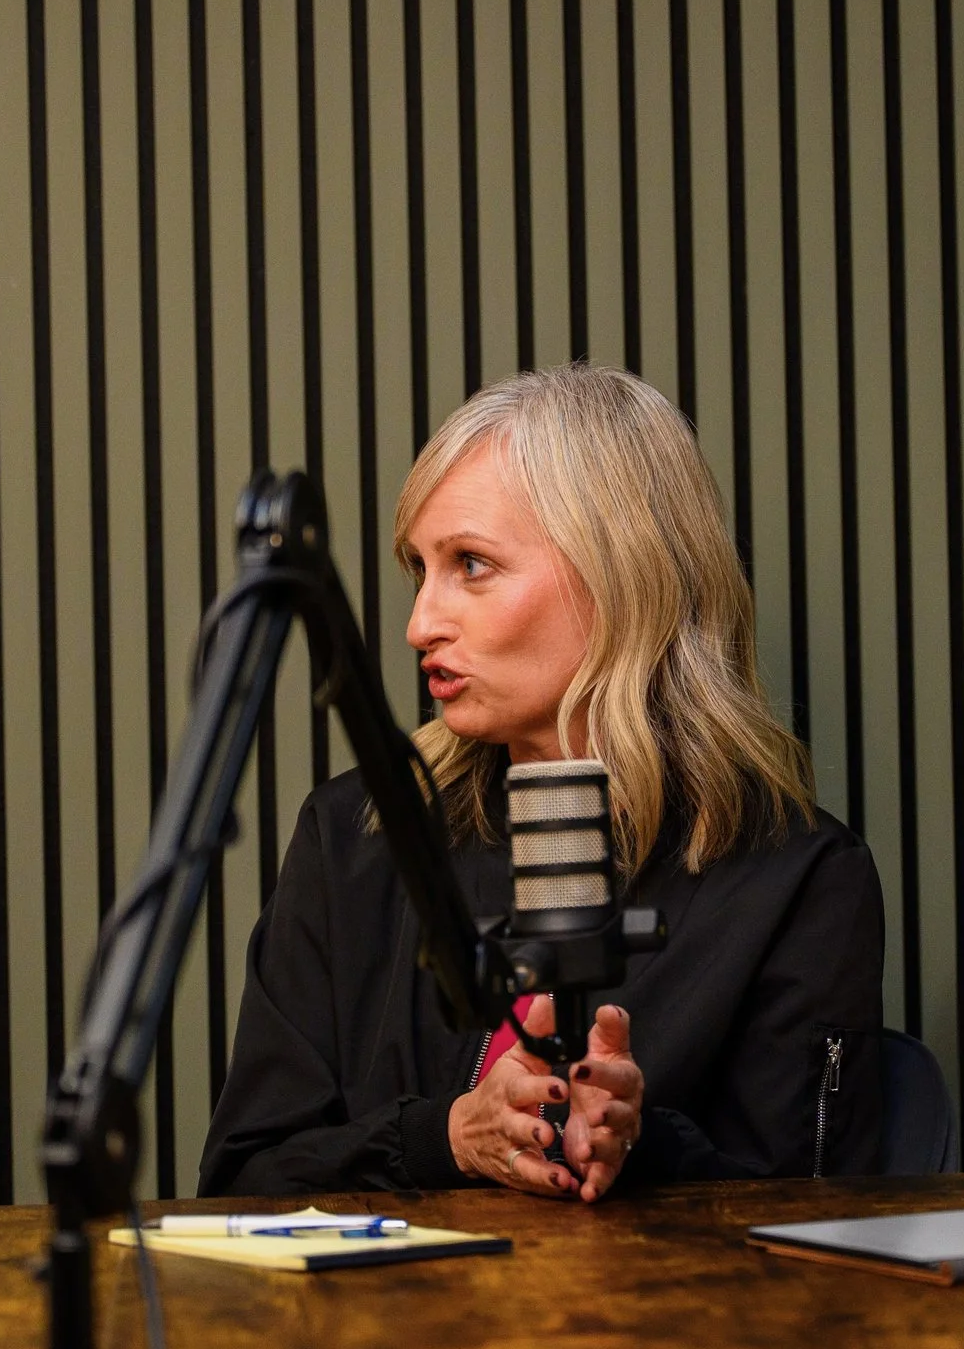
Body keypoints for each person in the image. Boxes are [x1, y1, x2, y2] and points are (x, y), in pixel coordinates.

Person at [197, 363, 886, 1201]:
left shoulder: (802, 881)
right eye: (421, 569)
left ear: (619, 576)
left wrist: (637, 1141)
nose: (420, 623)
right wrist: (447, 1136)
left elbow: (811, 1223)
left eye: (472, 565)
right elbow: (242, 1177)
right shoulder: (356, 837)